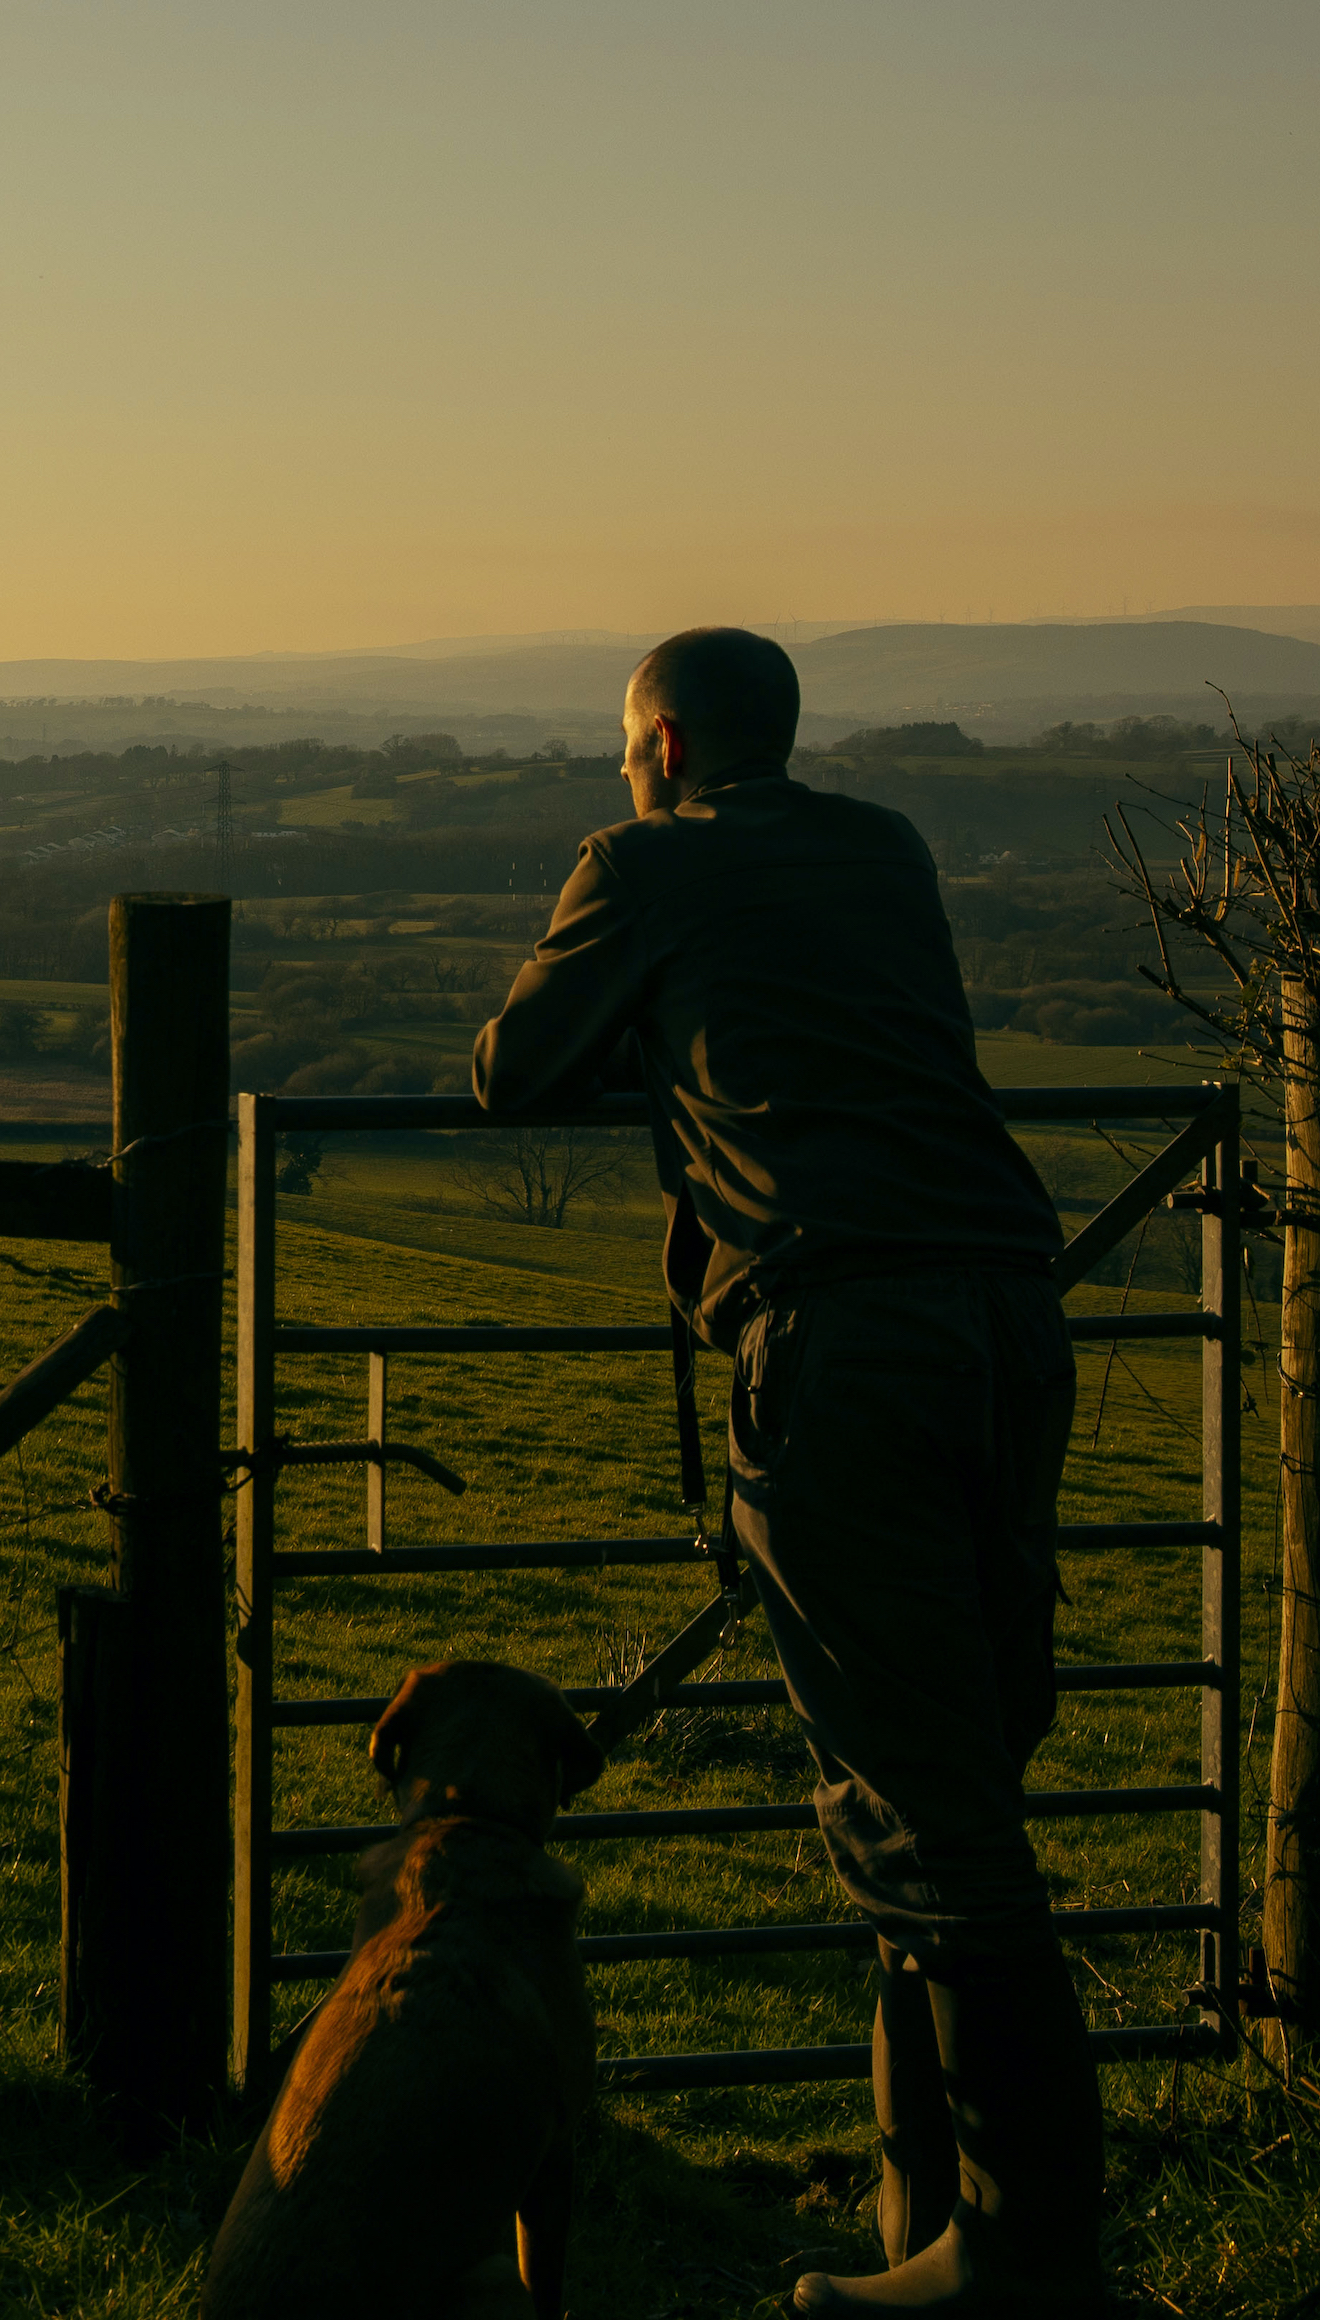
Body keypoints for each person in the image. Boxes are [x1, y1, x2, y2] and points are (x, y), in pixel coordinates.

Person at [471, 627, 1101, 2315]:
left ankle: (1021, 2267)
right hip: (1007, 1314)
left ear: (664, 744)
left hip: (848, 1340)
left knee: (931, 1811)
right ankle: (942, 2230)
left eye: (624, 753)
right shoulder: (884, 846)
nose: (622, 777)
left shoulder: (640, 863)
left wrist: (646, 1038)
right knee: (966, 1764)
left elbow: (508, 1067)